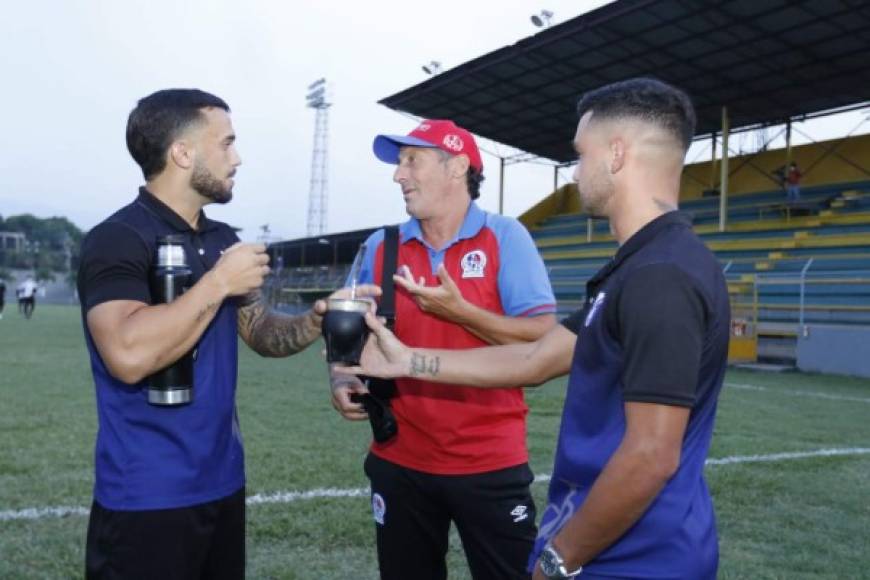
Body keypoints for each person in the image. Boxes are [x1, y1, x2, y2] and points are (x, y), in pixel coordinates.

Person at [338, 78, 730, 580]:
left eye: (580, 154)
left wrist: (558, 559)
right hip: (615, 544)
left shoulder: (661, 276)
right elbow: (535, 359)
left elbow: (651, 456)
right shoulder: (635, 267)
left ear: (615, 154)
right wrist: (408, 360)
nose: (576, 171)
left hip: (641, 557)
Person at [77, 88, 378, 580]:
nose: (237, 158)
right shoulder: (118, 238)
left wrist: (316, 318)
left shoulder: (223, 241)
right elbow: (127, 354)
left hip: (221, 483)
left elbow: (259, 330)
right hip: (146, 494)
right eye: (226, 143)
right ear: (182, 152)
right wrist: (218, 282)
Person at [330, 119, 557, 579]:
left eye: (412, 160)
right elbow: (347, 329)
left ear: (456, 167)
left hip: (489, 461)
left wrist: (463, 313)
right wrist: (341, 374)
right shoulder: (381, 246)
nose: (399, 175)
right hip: (398, 460)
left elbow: (542, 340)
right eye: (399, 164)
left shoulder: (505, 237)